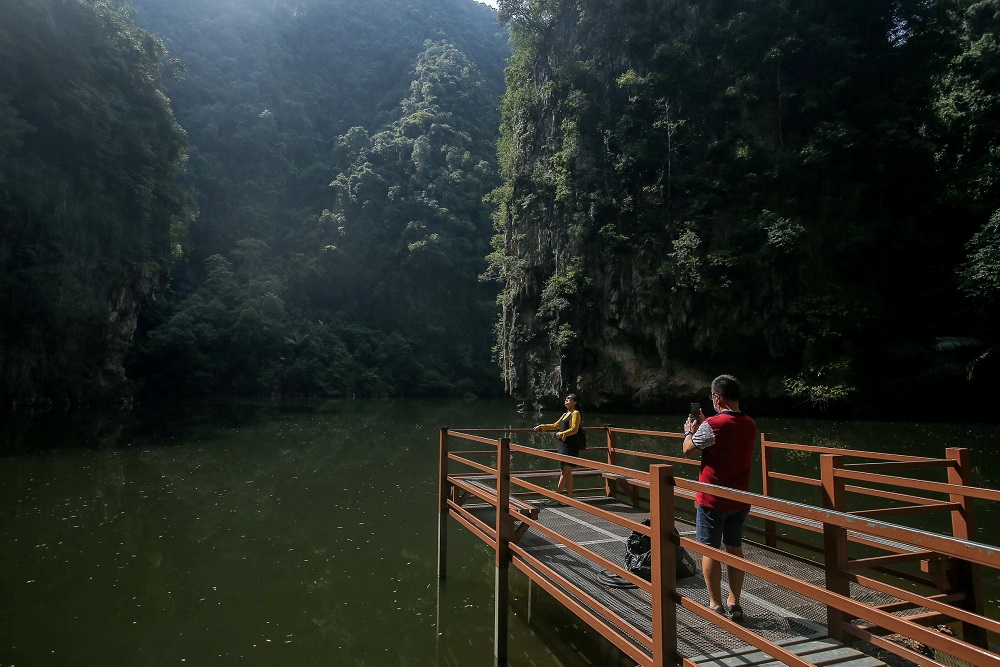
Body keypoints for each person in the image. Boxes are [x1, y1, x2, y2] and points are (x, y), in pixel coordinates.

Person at [682, 374, 756, 621]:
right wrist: (704, 425)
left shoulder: (712, 425)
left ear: (717, 397)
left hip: (713, 500)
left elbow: (688, 450)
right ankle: (735, 602)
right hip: (739, 499)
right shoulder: (750, 424)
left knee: (710, 549)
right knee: (735, 548)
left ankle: (715, 605)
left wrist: (689, 432)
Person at [533, 394, 584, 506]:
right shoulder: (565, 414)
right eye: (565, 398)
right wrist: (542, 427)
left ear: (575, 402)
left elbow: (574, 429)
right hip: (563, 444)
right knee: (568, 471)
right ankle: (570, 498)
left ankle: (556, 496)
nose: (566, 400)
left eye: (569, 398)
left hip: (571, 445)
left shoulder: (576, 413)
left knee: (564, 471)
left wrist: (561, 433)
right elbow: (555, 425)